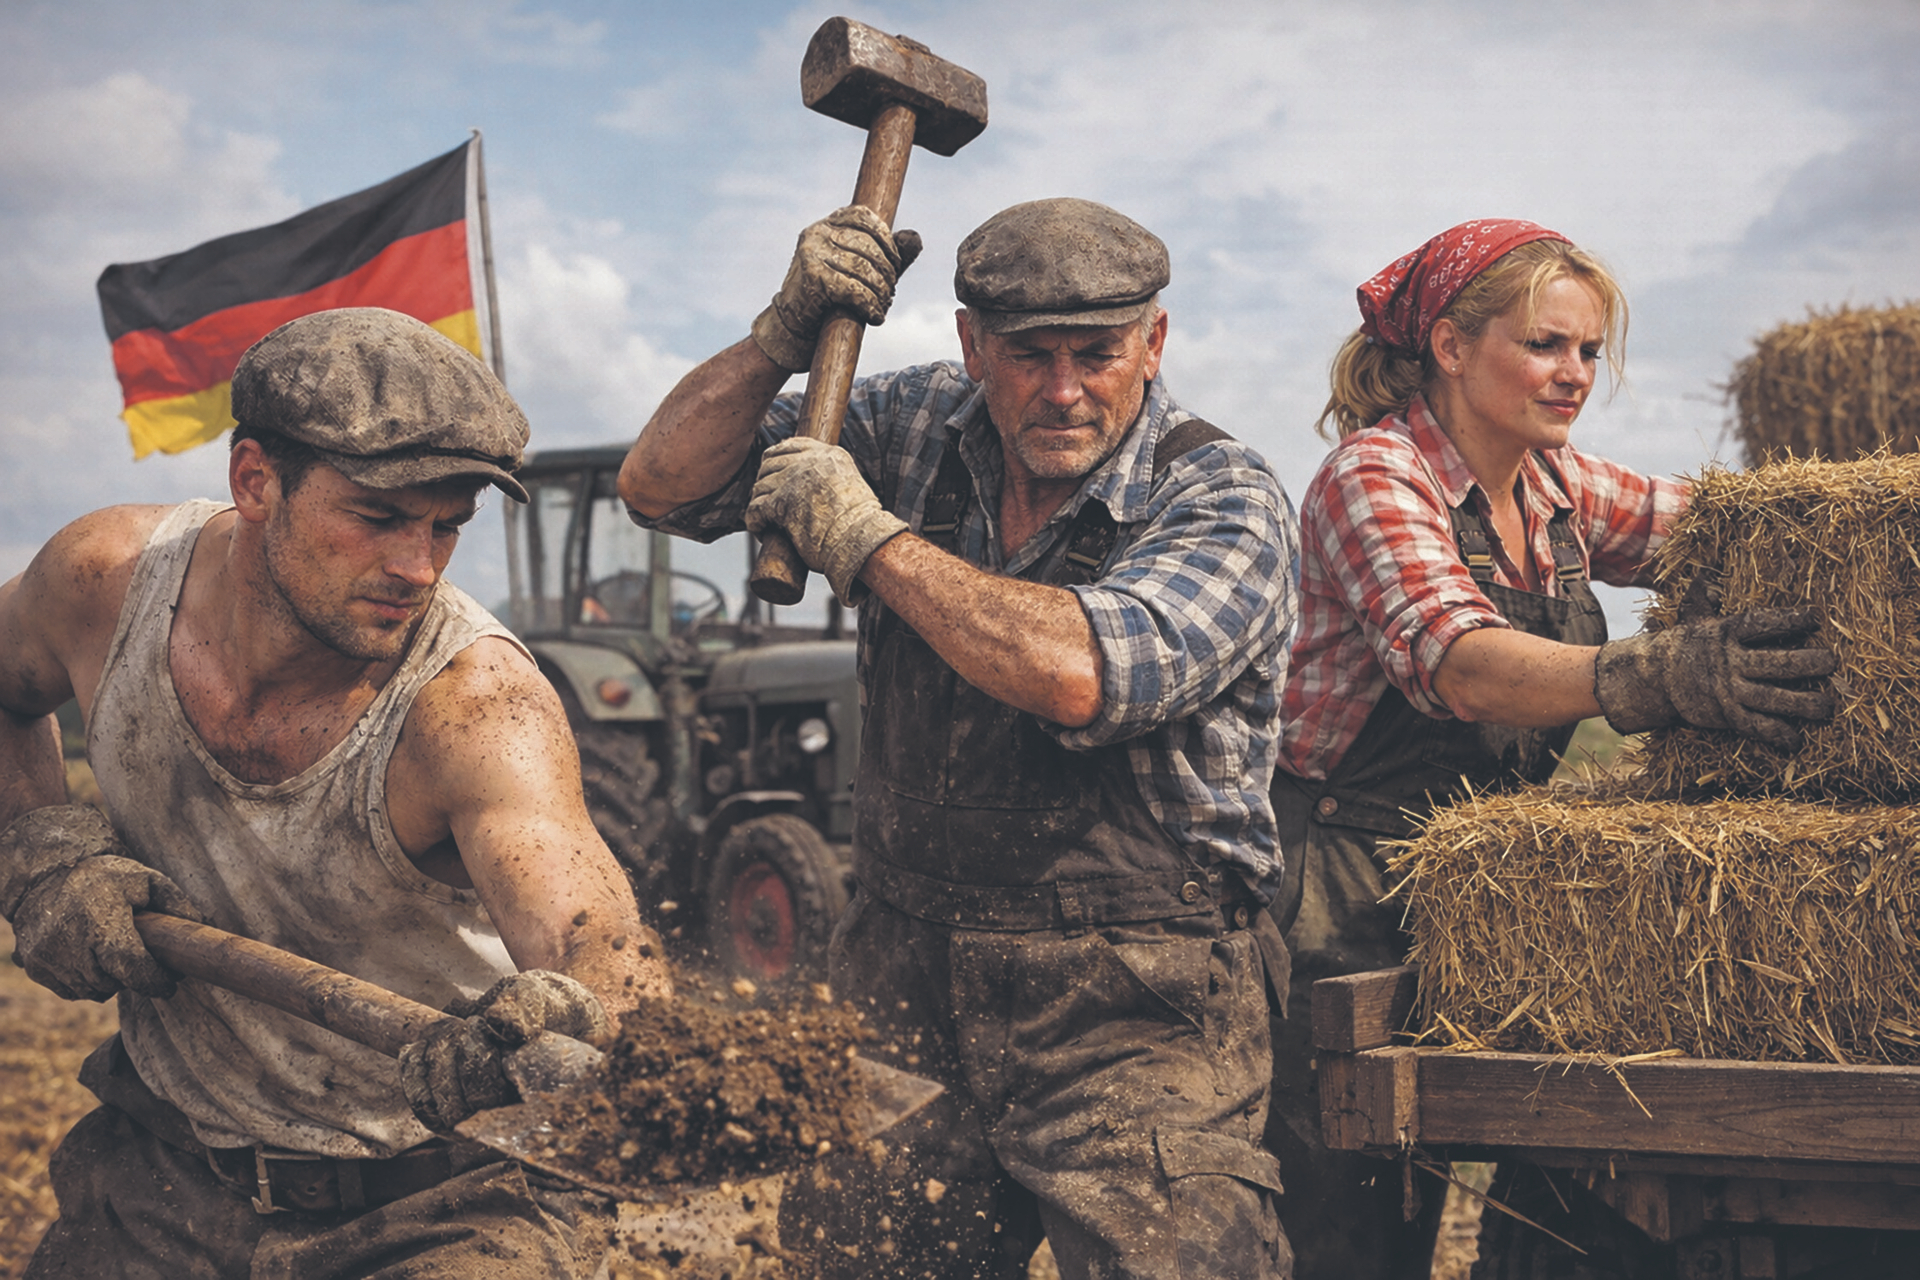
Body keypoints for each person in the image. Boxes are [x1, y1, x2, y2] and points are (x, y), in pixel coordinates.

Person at [619, 198, 1299, 1278]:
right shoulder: (908, 422)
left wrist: (869, 540)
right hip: (904, 962)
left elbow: (1082, 672)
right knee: (859, 1256)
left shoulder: (1221, 494)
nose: (1065, 389)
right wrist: (781, 333)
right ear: (973, 344)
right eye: (1029, 356)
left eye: (1099, 354)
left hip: (1138, 995)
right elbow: (660, 483)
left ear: (1155, 342)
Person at [0, 307, 672, 1278]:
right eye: (379, 516)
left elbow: (588, 929)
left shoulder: (474, 706)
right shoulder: (102, 584)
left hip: (435, 1198)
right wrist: (42, 850)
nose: (417, 567)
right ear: (255, 479)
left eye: (447, 527)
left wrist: (579, 1013)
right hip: (166, 1166)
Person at [1262, 219, 1837, 1278]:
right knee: (1351, 1232)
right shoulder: (1373, 476)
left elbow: (1727, 529)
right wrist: (1647, 676)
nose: (1573, 374)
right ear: (1447, 345)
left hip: (1480, 886)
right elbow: (1458, 659)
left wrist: (1866, 534)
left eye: (1585, 350)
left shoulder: (1558, 486)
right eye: (1543, 345)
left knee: (1558, 1186)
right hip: (1335, 895)